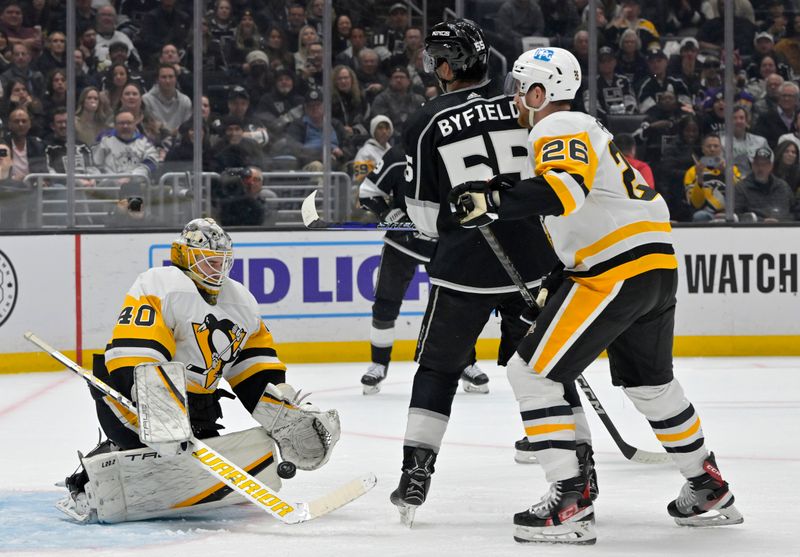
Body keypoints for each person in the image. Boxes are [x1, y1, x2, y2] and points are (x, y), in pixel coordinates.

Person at [449, 46, 743, 544]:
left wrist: (493, 200)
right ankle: (706, 485)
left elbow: (565, 191)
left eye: (521, 89)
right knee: (651, 387)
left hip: (613, 271)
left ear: (540, 93)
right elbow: (578, 209)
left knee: (531, 371)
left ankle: (568, 501)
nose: (515, 99)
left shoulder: (556, 126)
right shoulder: (587, 131)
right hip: (652, 268)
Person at [390, 20, 562, 525]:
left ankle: (416, 475)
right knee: (549, 370)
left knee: (439, 370)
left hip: (463, 266)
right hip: (533, 260)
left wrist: (426, 212)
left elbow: (424, 221)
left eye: (437, 59)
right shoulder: (521, 106)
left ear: (450, 64)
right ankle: (579, 472)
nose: (433, 70)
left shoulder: (426, 120)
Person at [58, 217, 341, 522]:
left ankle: (166, 462)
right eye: (207, 262)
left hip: (197, 408)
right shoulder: (162, 284)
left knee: (197, 459)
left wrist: (284, 415)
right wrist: (160, 411)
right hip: (131, 400)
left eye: (221, 263)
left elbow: (254, 369)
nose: (216, 271)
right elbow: (136, 353)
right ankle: (101, 463)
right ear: (183, 256)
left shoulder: (241, 302)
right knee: (157, 447)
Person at [684, 133, 741, 221]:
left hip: (730, 212)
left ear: (721, 149)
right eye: (708, 146)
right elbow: (696, 204)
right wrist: (699, 178)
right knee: (699, 216)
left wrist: (726, 174)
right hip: (706, 213)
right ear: (702, 149)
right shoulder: (692, 172)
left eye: (716, 146)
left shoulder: (732, 169)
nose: (712, 149)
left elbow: (741, 193)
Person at [734, 146, 797, 221]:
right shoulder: (741, 188)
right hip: (753, 230)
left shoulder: (783, 187)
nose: (760, 168)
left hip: (785, 230)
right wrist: (761, 221)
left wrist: (782, 221)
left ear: (771, 166)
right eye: (757, 164)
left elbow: (796, 212)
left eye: (764, 164)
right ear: (753, 165)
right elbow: (735, 216)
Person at [142, 64, 192, 136]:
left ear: (176, 79)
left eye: (171, 77)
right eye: (164, 77)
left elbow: (187, 129)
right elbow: (149, 128)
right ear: (157, 80)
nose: (167, 81)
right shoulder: (146, 100)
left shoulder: (185, 101)